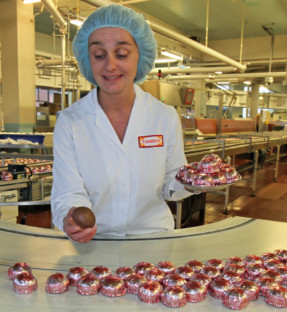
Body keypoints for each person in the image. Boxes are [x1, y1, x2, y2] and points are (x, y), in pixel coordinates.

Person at [51, 4, 193, 243]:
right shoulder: (70, 122)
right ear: (88, 59)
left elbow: (172, 184)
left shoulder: (164, 116)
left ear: (141, 55)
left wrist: (193, 182)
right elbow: (68, 192)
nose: (110, 65)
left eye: (122, 54)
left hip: (153, 239)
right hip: (94, 242)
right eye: (98, 55)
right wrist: (71, 218)